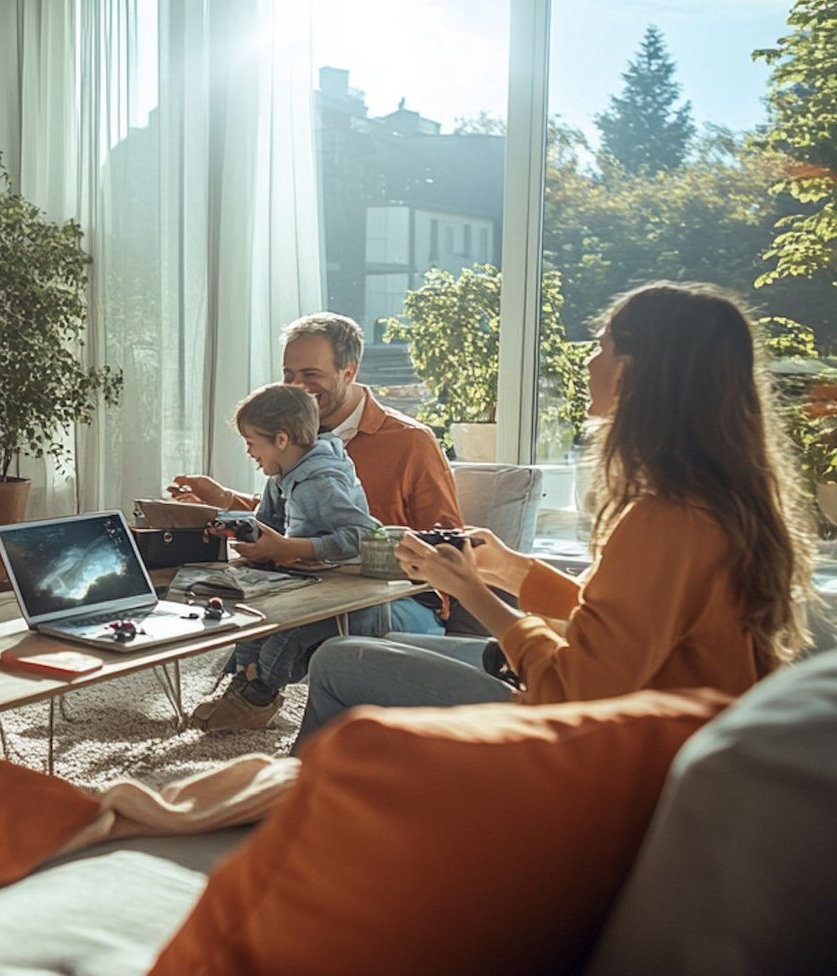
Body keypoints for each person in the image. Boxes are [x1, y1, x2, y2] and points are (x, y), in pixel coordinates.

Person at [293, 282, 822, 748]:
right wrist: (507, 568)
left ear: (638, 373)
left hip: (616, 745)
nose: (588, 361)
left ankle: (296, 824)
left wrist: (475, 594)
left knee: (341, 660)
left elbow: (575, 688)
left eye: (602, 347)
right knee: (381, 647)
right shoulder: (708, 499)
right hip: (648, 720)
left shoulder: (665, 518)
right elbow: (617, 623)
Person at [170, 312, 465, 635]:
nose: (297, 386)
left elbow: (450, 544)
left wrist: (379, 551)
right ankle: (247, 680)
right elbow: (299, 517)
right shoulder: (294, 437)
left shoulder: (410, 441)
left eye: (311, 374)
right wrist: (223, 500)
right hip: (318, 584)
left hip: (402, 598)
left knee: (328, 618)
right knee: (231, 599)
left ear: (348, 372)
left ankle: (259, 681)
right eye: (289, 374)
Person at [192, 384, 378, 731]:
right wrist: (232, 530)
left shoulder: (321, 480)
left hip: (343, 589)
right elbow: (269, 523)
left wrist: (289, 549)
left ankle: (257, 699)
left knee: (281, 638)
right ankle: (242, 689)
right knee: (250, 623)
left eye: (251, 442)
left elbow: (363, 535)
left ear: (280, 439)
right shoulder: (281, 475)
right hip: (307, 578)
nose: (248, 451)